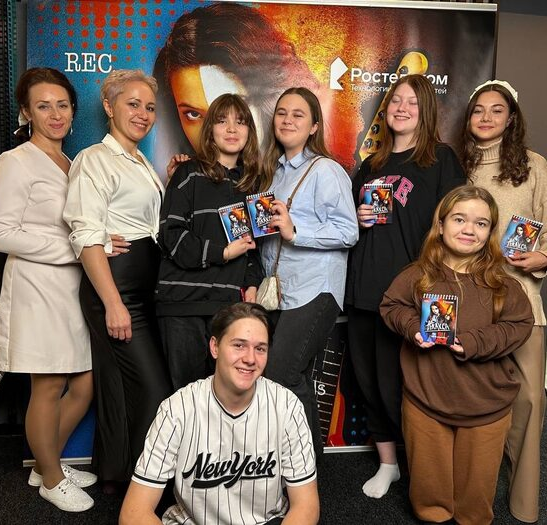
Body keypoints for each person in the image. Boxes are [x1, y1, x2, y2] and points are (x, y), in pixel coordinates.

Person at [380, 185, 534, 525]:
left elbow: (520, 324)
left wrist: (475, 342)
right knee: (429, 495)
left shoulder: (504, 285)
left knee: (475, 503)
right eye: (459, 219)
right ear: (440, 225)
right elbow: (391, 306)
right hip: (425, 401)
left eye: (481, 223)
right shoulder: (416, 276)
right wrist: (412, 327)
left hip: (486, 406)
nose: (469, 229)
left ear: (490, 233)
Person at [344, 74, 466, 498]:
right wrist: (356, 219)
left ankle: (426, 470)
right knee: (369, 384)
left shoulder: (441, 160)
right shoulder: (371, 165)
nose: (401, 108)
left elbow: (457, 226)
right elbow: (347, 228)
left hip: (411, 297)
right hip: (363, 291)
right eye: (395, 100)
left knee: (405, 386)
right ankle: (389, 465)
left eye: (412, 102)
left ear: (426, 110)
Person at [461, 79, 547, 523]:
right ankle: (469, 492)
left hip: (521, 299)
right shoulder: (455, 164)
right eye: (478, 110)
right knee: (469, 396)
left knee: (529, 400)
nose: (486, 117)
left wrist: (545, 257)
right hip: (467, 301)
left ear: (511, 118)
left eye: (497, 110)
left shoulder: (533, 165)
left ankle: (524, 502)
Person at [0, 67, 96, 512]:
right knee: (48, 385)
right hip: (35, 288)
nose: (55, 114)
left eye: (62, 105)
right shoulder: (16, 161)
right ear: (27, 112)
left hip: (71, 289)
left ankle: (44, 462)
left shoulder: (73, 163)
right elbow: (0, 234)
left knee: (84, 384)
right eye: (43, 106)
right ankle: (51, 478)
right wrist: (75, 249)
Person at [63, 69, 172, 490]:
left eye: (149, 107)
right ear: (109, 107)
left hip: (142, 289)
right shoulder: (94, 159)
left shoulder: (141, 162)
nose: (143, 114)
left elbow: (143, 223)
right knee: (154, 391)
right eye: (133, 104)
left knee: (120, 387)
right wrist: (113, 304)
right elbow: (86, 235)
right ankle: (145, 490)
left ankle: (118, 478)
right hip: (117, 290)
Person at [119, 303, 319, 525]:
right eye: (239, 345)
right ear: (215, 347)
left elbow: (306, 506)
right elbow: (133, 513)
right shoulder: (177, 409)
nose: (250, 358)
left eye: (260, 349)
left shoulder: (286, 405)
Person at [259, 87, 359, 459]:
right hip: (280, 293)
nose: (288, 120)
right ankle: (302, 463)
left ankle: (306, 467)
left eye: (298, 114)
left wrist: (296, 230)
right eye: (282, 112)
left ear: (314, 126)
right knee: (290, 377)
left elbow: (349, 231)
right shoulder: (272, 173)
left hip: (315, 290)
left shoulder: (326, 170)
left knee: (280, 374)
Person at [156, 93, 264, 392]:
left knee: (224, 396)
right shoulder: (188, 173)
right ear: (210, 130)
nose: (231, 129)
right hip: (183, 305)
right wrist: (223, 252)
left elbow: (254, 250)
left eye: (240, 122)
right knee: (186, 398)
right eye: (221, 121)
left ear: (249, 131)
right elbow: (171, 236)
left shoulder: (252, 185)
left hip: (227, 310)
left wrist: (252, 283)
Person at [152, 2, 322, 173]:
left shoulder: (305, 173)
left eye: (236, 111)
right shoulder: (184, 178)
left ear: (267, 103)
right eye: (193, 114)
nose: (216, 132)